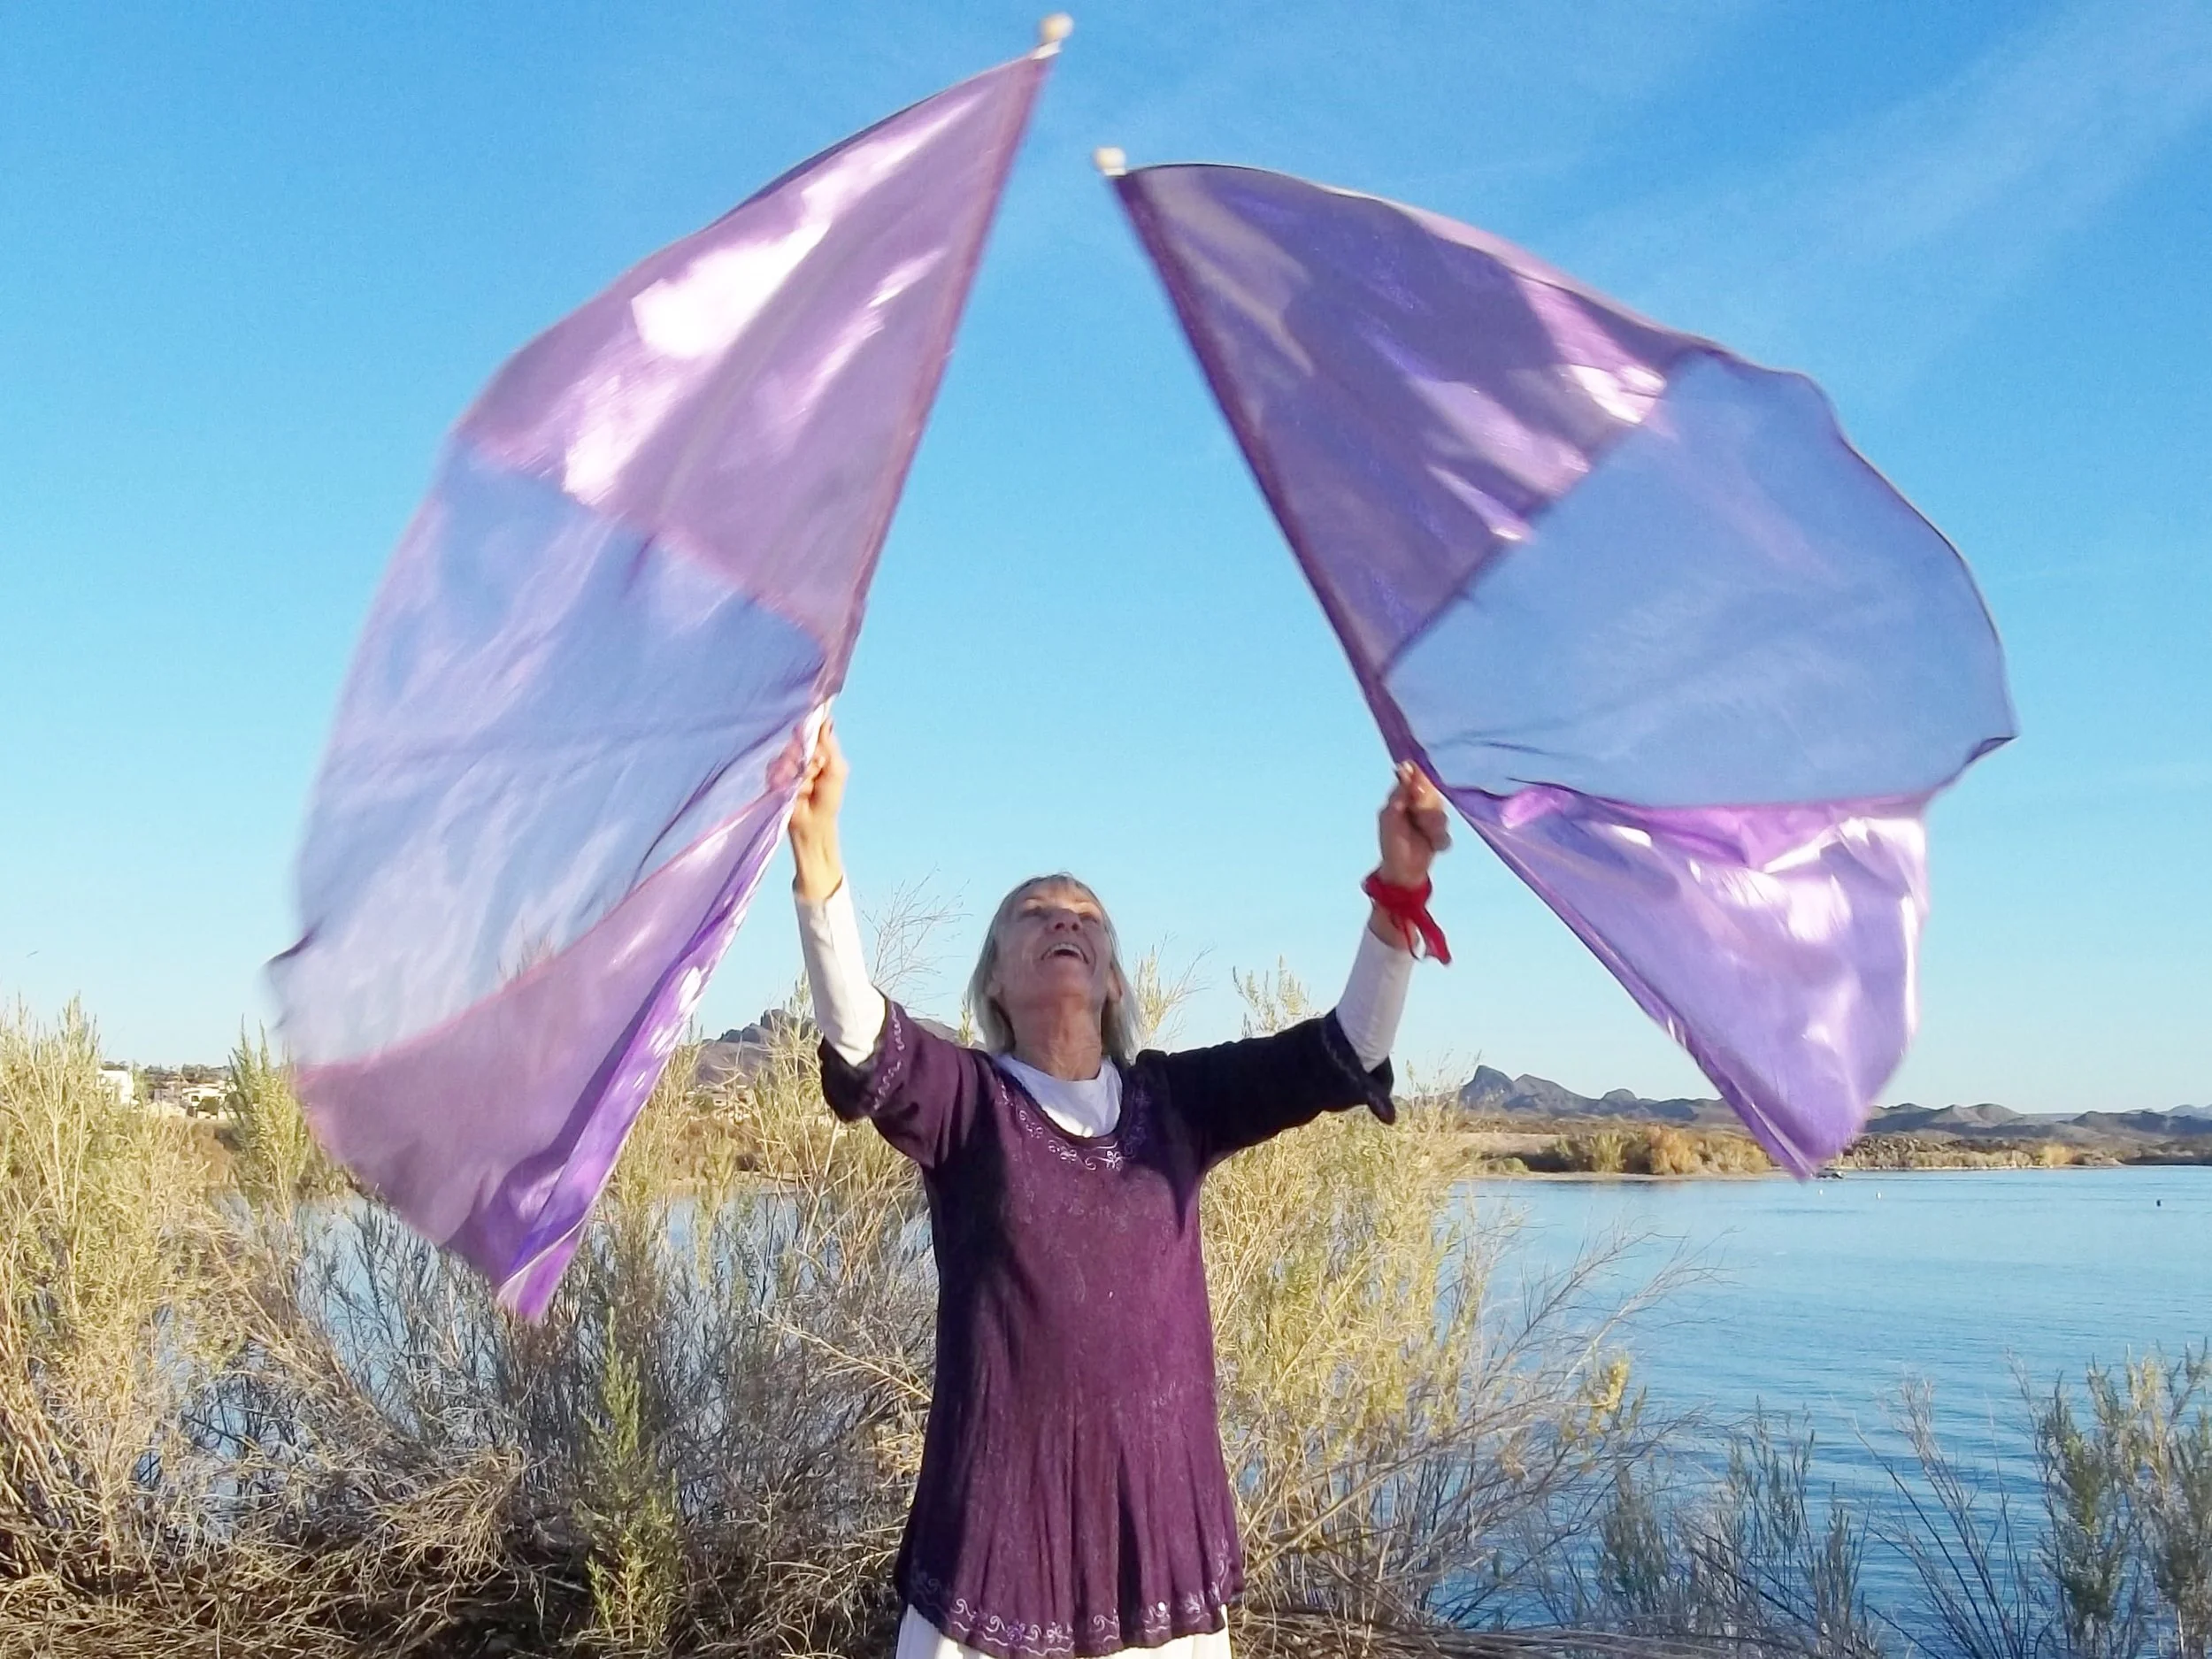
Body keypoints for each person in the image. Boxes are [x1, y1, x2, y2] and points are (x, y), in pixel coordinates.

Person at [787, 722, 1451, 1659]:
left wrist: (1401, 893)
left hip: (1158, 1563)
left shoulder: (1177, 1103)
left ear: (1109, 982)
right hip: (994, 1559)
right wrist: (817, 847)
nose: (1065, 919)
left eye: (1087, 915)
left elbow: (1347, 1050)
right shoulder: (967, 1104)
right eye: (1034, 913)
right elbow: (860, 1038)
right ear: (995, 986)